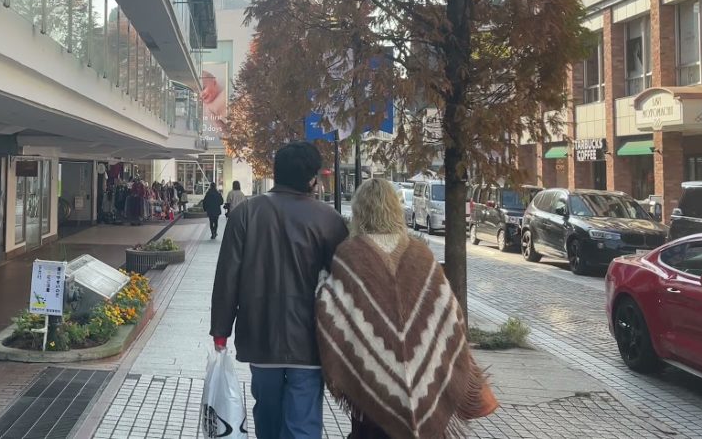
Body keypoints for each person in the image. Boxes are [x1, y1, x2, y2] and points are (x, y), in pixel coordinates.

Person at [316, 179, 498, 438]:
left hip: (371, 375)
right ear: (395, 209)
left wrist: (321, 282)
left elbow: (331, 308)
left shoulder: (350, 253)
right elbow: (449, 311)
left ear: (359, 211)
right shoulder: (420, 253)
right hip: (424, 379)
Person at [210, 142, 349, 439]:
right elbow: (345, 283)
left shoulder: (245, 214)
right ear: (311, 179)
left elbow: (227, 278)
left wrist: (221, 330)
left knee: (267, 415)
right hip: (310, 341)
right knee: (303, 421)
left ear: (276, 173)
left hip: (260, 336)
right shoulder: (329, 220)